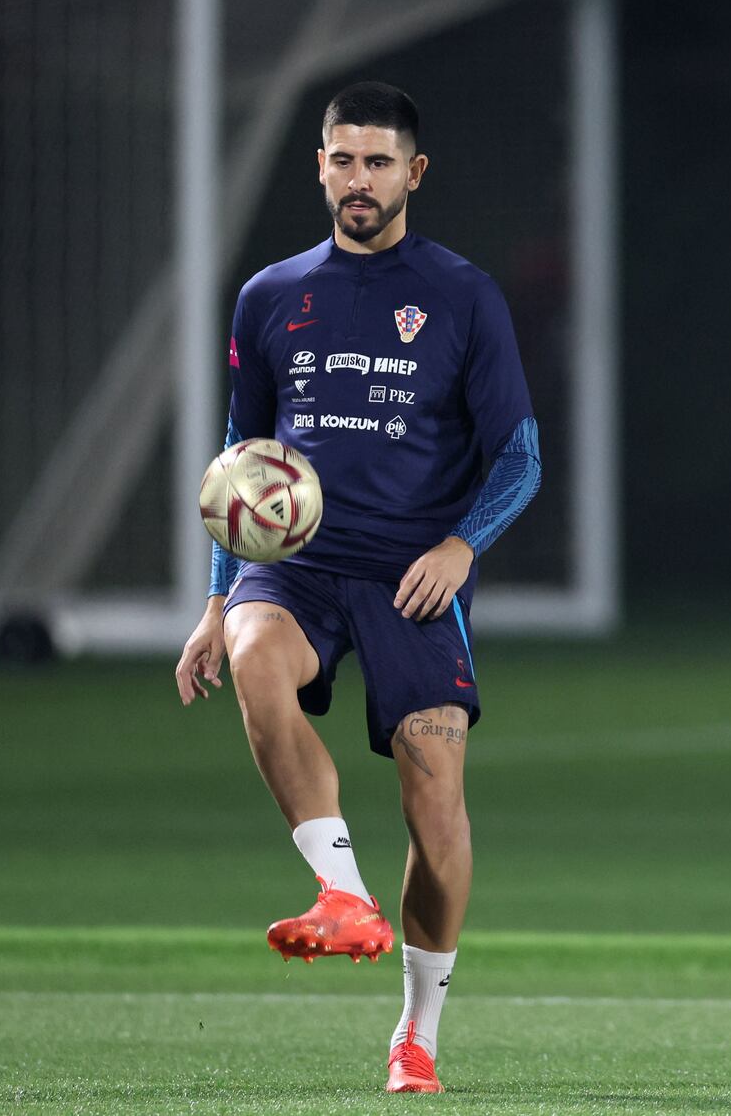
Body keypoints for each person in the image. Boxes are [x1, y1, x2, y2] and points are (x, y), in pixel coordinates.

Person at [175, 80, 541, 1093]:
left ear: (413, 173)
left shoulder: (462, 295)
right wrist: (216, 598)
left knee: (433, 797)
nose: (358, 180)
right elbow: (240, 458)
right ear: (322, 164)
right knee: (254, 658)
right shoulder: (269, 295)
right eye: (343, 159)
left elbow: (517, 455)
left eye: (378, 162)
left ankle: (416, 1028)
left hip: (411, 575)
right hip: (294, 566)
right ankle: (340, 894)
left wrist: (461, 546)